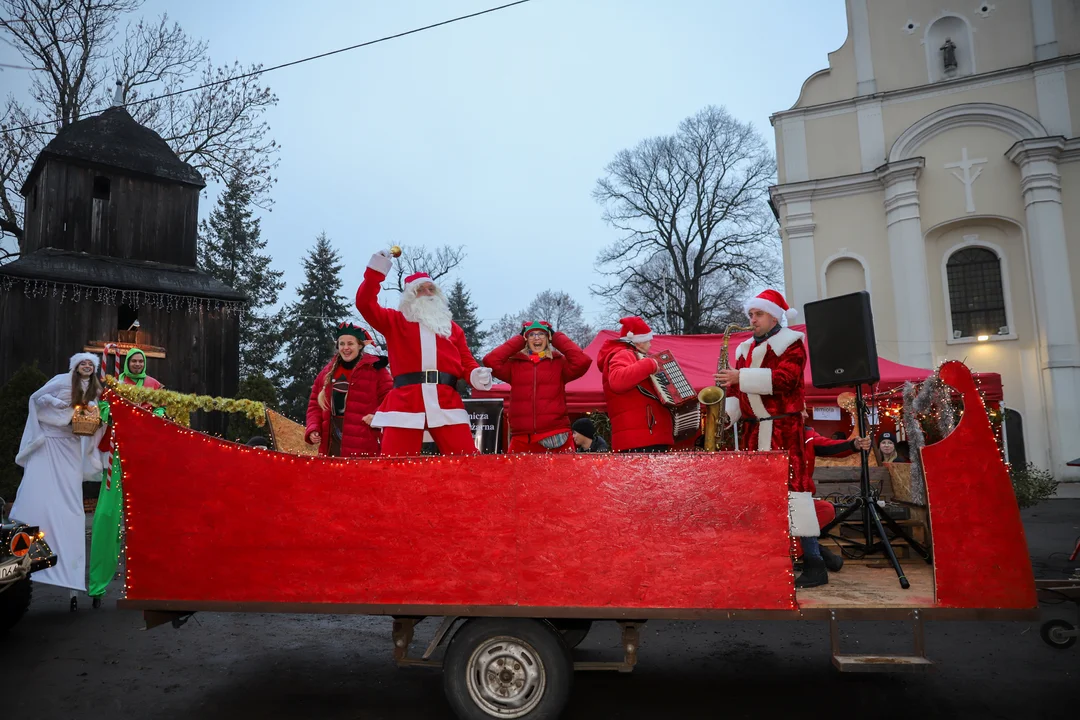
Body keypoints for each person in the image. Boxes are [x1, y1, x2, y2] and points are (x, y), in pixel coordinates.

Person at [716, 289, 823, 588]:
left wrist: (741, 377)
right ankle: (768, 558)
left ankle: (815, 563)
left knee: (795, 493)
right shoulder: (743, 349)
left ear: (775, 315)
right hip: (752, 430)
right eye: (751, 314)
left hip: (783, 429)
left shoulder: (791, 343)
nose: (752, 320)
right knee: (758, 496)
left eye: (758, 314)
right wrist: (726, 416)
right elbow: (737, 393)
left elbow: (786, 380)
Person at [356, 251, 492, 456]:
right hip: (405, 402)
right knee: (395, 466)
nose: (428, 293)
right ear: (410, 296)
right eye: (421, 289)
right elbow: (365, 303)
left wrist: (475, 374)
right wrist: (377, 271)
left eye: (432, 289)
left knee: (467, 462)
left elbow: (466, 361)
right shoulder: (395, 321)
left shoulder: (452, 328)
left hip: (446, 401)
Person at [10, 353, 105, 611]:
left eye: (90, 364)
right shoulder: (61, 380)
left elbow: (95, 420)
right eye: (83, 363)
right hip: (50, 445)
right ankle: (19, 553)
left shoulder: (95, 389)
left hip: (72, 449)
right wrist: (62, 407)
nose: (86, 366)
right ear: (75, 366)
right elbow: (37, 398)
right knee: (37, 497)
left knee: (71, 509)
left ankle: (70, 577)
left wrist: (96, 421)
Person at [482, 320, 592, 453]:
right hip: (522, 439)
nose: (536, 338)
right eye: (531, 335)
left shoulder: (559, 363)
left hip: (556, 436)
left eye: (541, 334)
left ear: (548, 338)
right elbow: (490, 361)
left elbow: (583, 361)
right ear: (526, 340)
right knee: (517, 474)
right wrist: (518, 340)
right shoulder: (515, 365)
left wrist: (557, 337)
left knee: (562, 474)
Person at [306, 322, 393, 457]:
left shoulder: (376, 370)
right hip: (332, 444)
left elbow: (391, 397)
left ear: (359, 345)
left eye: (350, 344)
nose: (346, 348)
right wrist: (313, 429)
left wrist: (377, 416)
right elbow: (314, 405)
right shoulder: (327, 372)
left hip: (363, 444)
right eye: (342, 344)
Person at [803, 410, 873, 575]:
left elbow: (829, 446)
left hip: (800, 500)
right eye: (801, 410)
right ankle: (819, 555)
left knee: (825, 510)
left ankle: (813, 554)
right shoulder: (769, 433)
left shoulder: (807, 435)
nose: (806, 414)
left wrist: (853, 445)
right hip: (775, 500)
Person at [597, 316, 674, 453]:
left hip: (642, 437)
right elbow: (617, 381)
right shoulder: (623, 353)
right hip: (642, 438)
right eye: (647, 340)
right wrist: (650, 363)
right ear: (638, 342)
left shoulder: (628, 354)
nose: (650, 345)